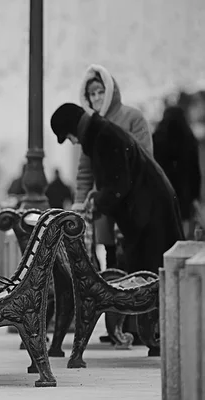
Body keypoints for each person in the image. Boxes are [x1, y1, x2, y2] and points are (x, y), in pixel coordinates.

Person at [51, 103, 184, 275]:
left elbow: (118, 187)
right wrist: (97, 196)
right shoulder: (101, 133)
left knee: (150, 275)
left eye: (69, 137)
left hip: (149, 214)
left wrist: (97, 202)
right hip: (149, 209)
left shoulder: (103, 137)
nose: (74, 141)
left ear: (73, 127)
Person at [72, 65, 153, 271]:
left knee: (132, 252)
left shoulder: (133, 117)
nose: (97, 98)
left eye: (101, 92)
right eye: (92, 94)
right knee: (110, 257)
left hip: (132, 198)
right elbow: (84, 171)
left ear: (110, 92)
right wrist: (80, 204)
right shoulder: (90, 128)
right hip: (106, 202)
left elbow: (145, 158)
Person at [153, 106, 201, 239]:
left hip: (163, 192)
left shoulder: (157, 139)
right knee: (184, 226)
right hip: (185, 192)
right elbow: (195, 172)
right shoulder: (189, 140)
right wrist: (196, 196)